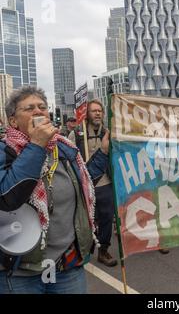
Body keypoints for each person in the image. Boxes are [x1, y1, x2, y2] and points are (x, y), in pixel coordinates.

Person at [0, 86, 109, 294]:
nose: (38, 111)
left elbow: (86, 185)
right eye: (29, 108)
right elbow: (7, 197)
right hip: (20, 272)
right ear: (13, 121)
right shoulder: (4, 151)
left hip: (66, 267)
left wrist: (103, 151)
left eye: (42, 107)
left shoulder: (65, 148)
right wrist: (36, 146)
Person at [69, 99, 117, 267]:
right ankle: (84, 250)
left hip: (105, 184)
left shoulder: (109, 132)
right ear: (86, 114)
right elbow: (70, 160)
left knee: (106, 219)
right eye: (93, 111)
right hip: (84, 185)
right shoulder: (76, 134)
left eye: (100, 110)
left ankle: (103, 251)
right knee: (85, 220)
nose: (97, 113)